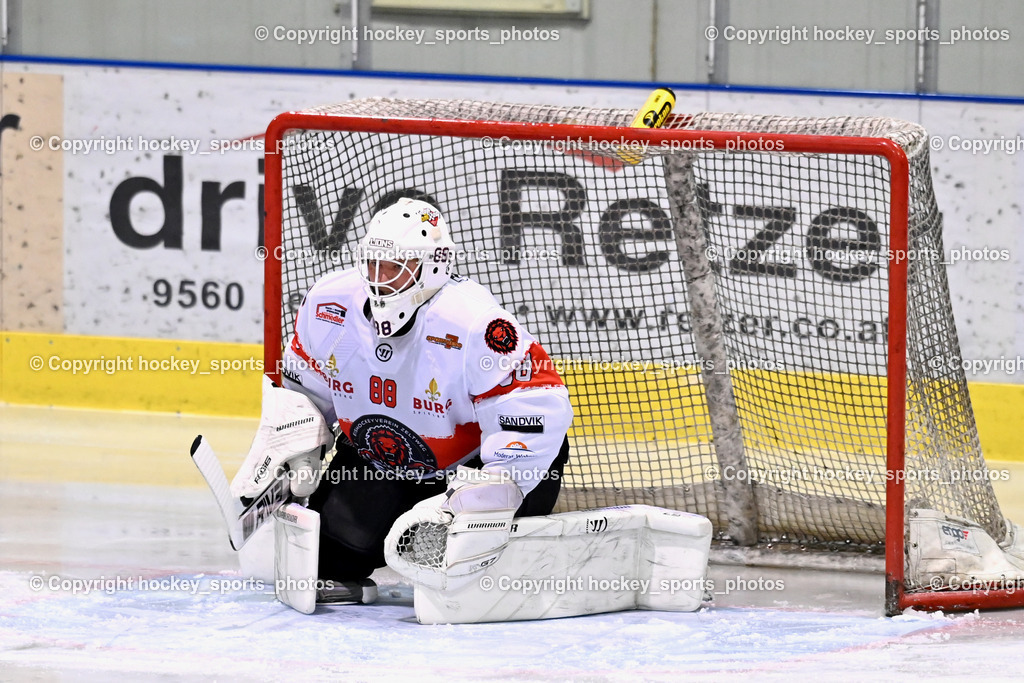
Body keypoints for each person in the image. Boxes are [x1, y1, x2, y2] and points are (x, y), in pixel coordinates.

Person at [277, 197, 573, 582]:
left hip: (473, 467)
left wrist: (484, 492)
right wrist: (298, 448)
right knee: (324, 563)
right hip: (384, 462)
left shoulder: (473, 323)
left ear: (433, 266)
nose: (380, 278)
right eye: (373, 263)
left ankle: (500, 548)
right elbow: (306, 390)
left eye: (395, 266)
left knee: (466, 575)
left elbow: (535, 407)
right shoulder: (330, 304)